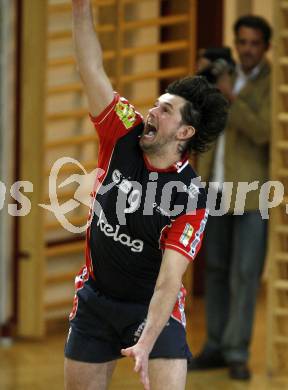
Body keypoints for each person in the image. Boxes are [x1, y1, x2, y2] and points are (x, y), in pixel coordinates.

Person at [65, 1, 228, 389]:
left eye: (166, 109)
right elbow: (91, 70)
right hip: (96, 297)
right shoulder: (124, 130)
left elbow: (169, 281)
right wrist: (80, 7)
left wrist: (146, 341)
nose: (153, 110)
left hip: (152, 305)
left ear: (184, 133)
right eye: (157, 103)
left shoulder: (189, 196)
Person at [188, 15, 272, 380]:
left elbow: (264, 130)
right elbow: (197, 121)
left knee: (245, 274)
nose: (247, 50)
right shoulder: (221, 76)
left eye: (254, 43)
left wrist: (230, 97)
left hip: (254, 195)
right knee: (217, 272)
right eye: (242, 42)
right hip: (215, 189)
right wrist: (200, 82)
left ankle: (238, 351)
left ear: (266, 47)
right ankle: (216, 346)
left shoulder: (275, 83)